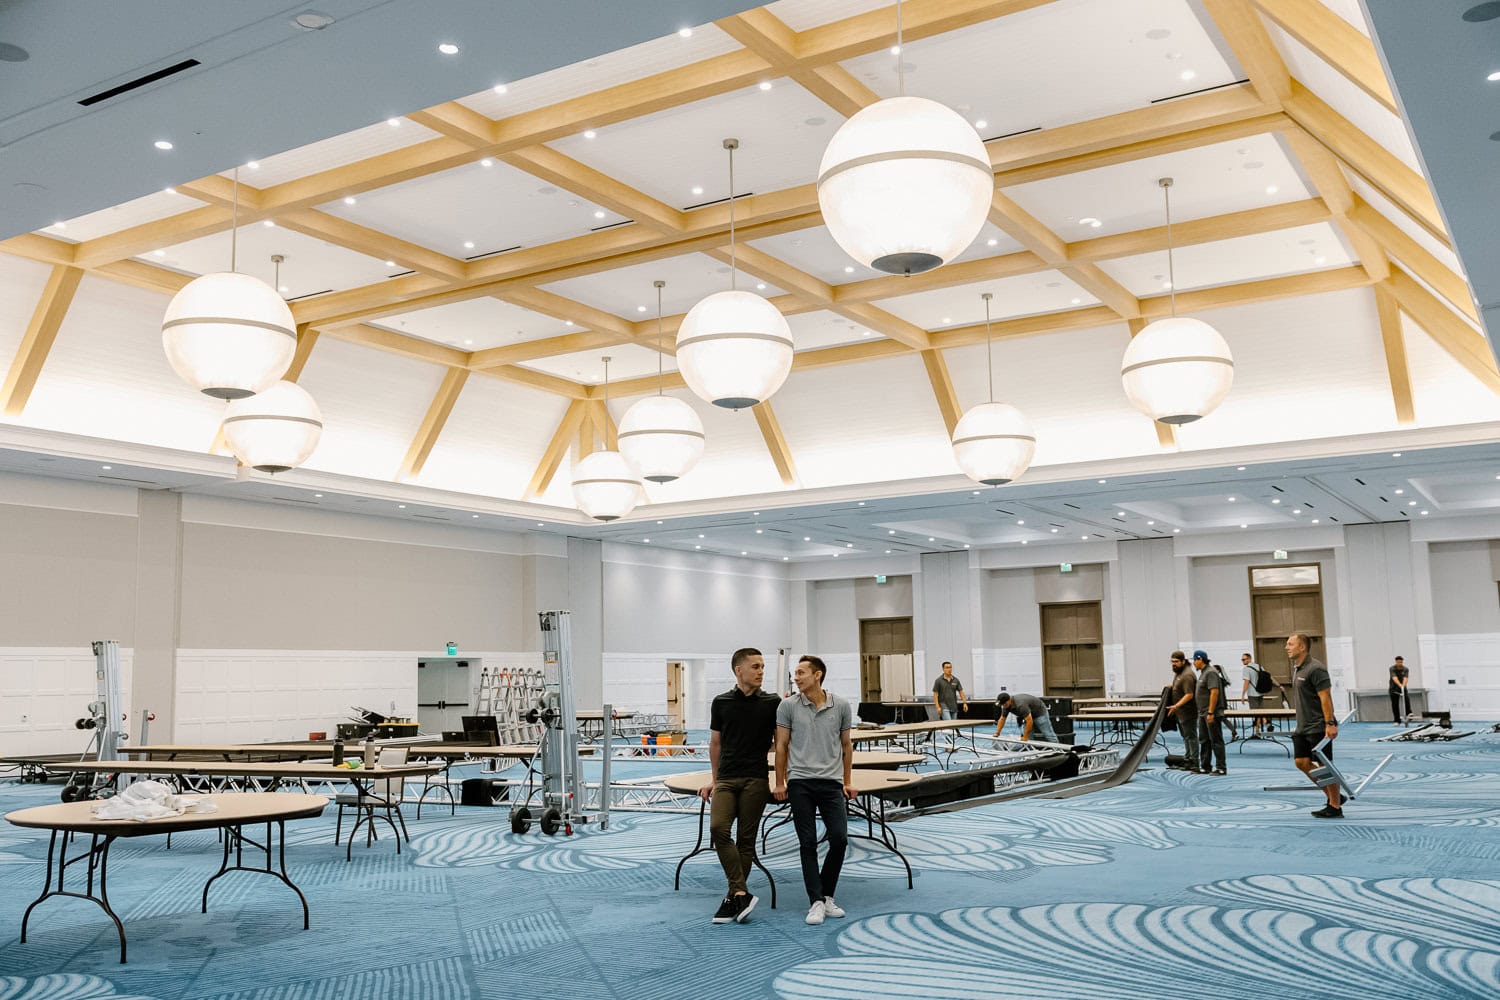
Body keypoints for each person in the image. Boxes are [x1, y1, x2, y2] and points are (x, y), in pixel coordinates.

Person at [774, 654, 855, 927]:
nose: (796, 678)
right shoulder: (787, 706)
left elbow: (846, 746)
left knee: (839, 839)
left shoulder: (841, 705)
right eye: (795, 674)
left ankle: (828, 895)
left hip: (831, 782)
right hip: (800, 783)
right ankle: (816, 901)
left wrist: (847, 780)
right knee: (807, 842)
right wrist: (780, 782)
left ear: (817, 675)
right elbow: (782, 746)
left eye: (801, 673)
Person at [703, 647, 781, 924]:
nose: (761, 671)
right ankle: (739, 892)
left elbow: (782, 743)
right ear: (739, 670)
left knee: (746, 840)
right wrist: (714, 780)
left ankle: (733, 897)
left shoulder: (773, 702)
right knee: (718, 829)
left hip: (756, 778)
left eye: (762, 667)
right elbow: (716, 744)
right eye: (756, 667)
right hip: (726, 778)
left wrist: (781, 779)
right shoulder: (721, 702)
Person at [1288, 632, 1344, 818]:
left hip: (1318, 726)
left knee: (1324, 765)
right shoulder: (1298, 668)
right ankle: (1333, 795)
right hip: (1302, 726)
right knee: (1301, 762)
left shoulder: (1316, 668)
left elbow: (1325, 697)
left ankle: (1335, 806)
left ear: (1302, 647)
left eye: (1290, 644)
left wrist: (1329, 723)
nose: (1286, 647)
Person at [1195, 651, 1227, 775]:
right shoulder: (1203, 673)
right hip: (1203, 713)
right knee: (1204, 740)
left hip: (1211, 713)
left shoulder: (1211, 672)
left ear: (1200, 659)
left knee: (1216, 740)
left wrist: (1210, 712)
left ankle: (1221, 767)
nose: (1194, 663)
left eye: (1195, 660)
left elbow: (1214, 692)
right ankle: (1205, 766)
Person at [1166, 650, 1199, 767]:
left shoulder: (1187, 675)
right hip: (1180, 713)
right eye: (1172, 661)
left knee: (1191, 737)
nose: (1173, 664)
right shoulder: (1179, 673)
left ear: (1183, 661)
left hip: (1188, 712)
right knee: (1186, 737)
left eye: (1176, 661)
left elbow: (1189, 694)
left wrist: (1176, 706)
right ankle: (1188, 758)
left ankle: (1194, 762)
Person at [1240, 652, 1268, 734]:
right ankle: (1265, 722)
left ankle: (1257, 729)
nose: (1242, 661)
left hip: (1252, 694)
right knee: (1260, 711)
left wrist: (1243, 695)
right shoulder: (1259, 666)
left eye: (1244, 659)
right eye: (1241, 660)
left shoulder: (1246, 669)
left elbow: (1246, 682)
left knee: (1255, 713)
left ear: (1249, 659)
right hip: (1260, 692)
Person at [1389, 655, 1412, 725]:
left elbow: (1405, 678)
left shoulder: (1405, 669)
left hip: (1402, 687)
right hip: (1394, 688)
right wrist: (1399, 685)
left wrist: (1403, 686)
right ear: (1396, 662)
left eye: (1401, 662)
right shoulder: (1392, 668)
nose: (1400, 664)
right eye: (1398, 662)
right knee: (1395, 705)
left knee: (1406, 699)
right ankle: (1397, 720)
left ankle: (1409, 713)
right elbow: (1394, 677)